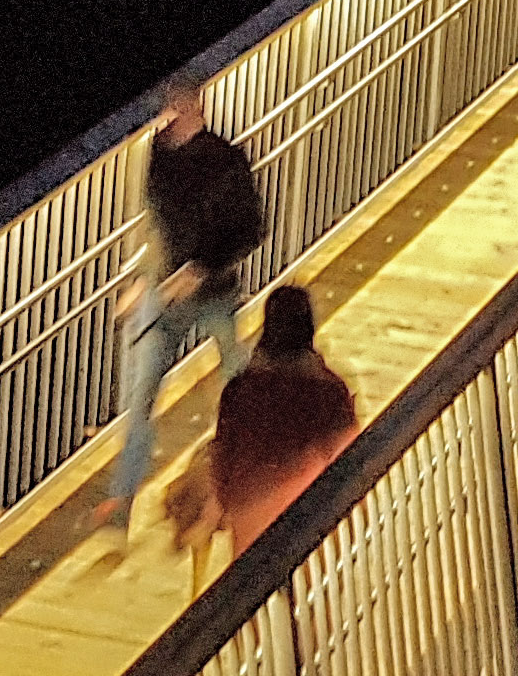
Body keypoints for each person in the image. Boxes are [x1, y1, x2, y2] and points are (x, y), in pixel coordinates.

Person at [98, 70, 265, 542]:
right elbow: (156, 225)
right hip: (164, 295)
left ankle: (248, 474)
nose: (164, 117)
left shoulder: (225, 161)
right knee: (140, 401)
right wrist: (143, 279)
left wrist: (201, 269)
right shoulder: (158, 156)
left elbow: (251, 229)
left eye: (173, 106)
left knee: (237, 384)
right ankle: (120, 506)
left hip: (213, 294)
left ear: (193, 106)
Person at [209, 284, 360, 554]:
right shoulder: (329, 392)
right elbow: (348, 465)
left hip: (250, 519)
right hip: (308, 524)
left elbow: (223, 456)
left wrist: (230, 504)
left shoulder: (238, 390)